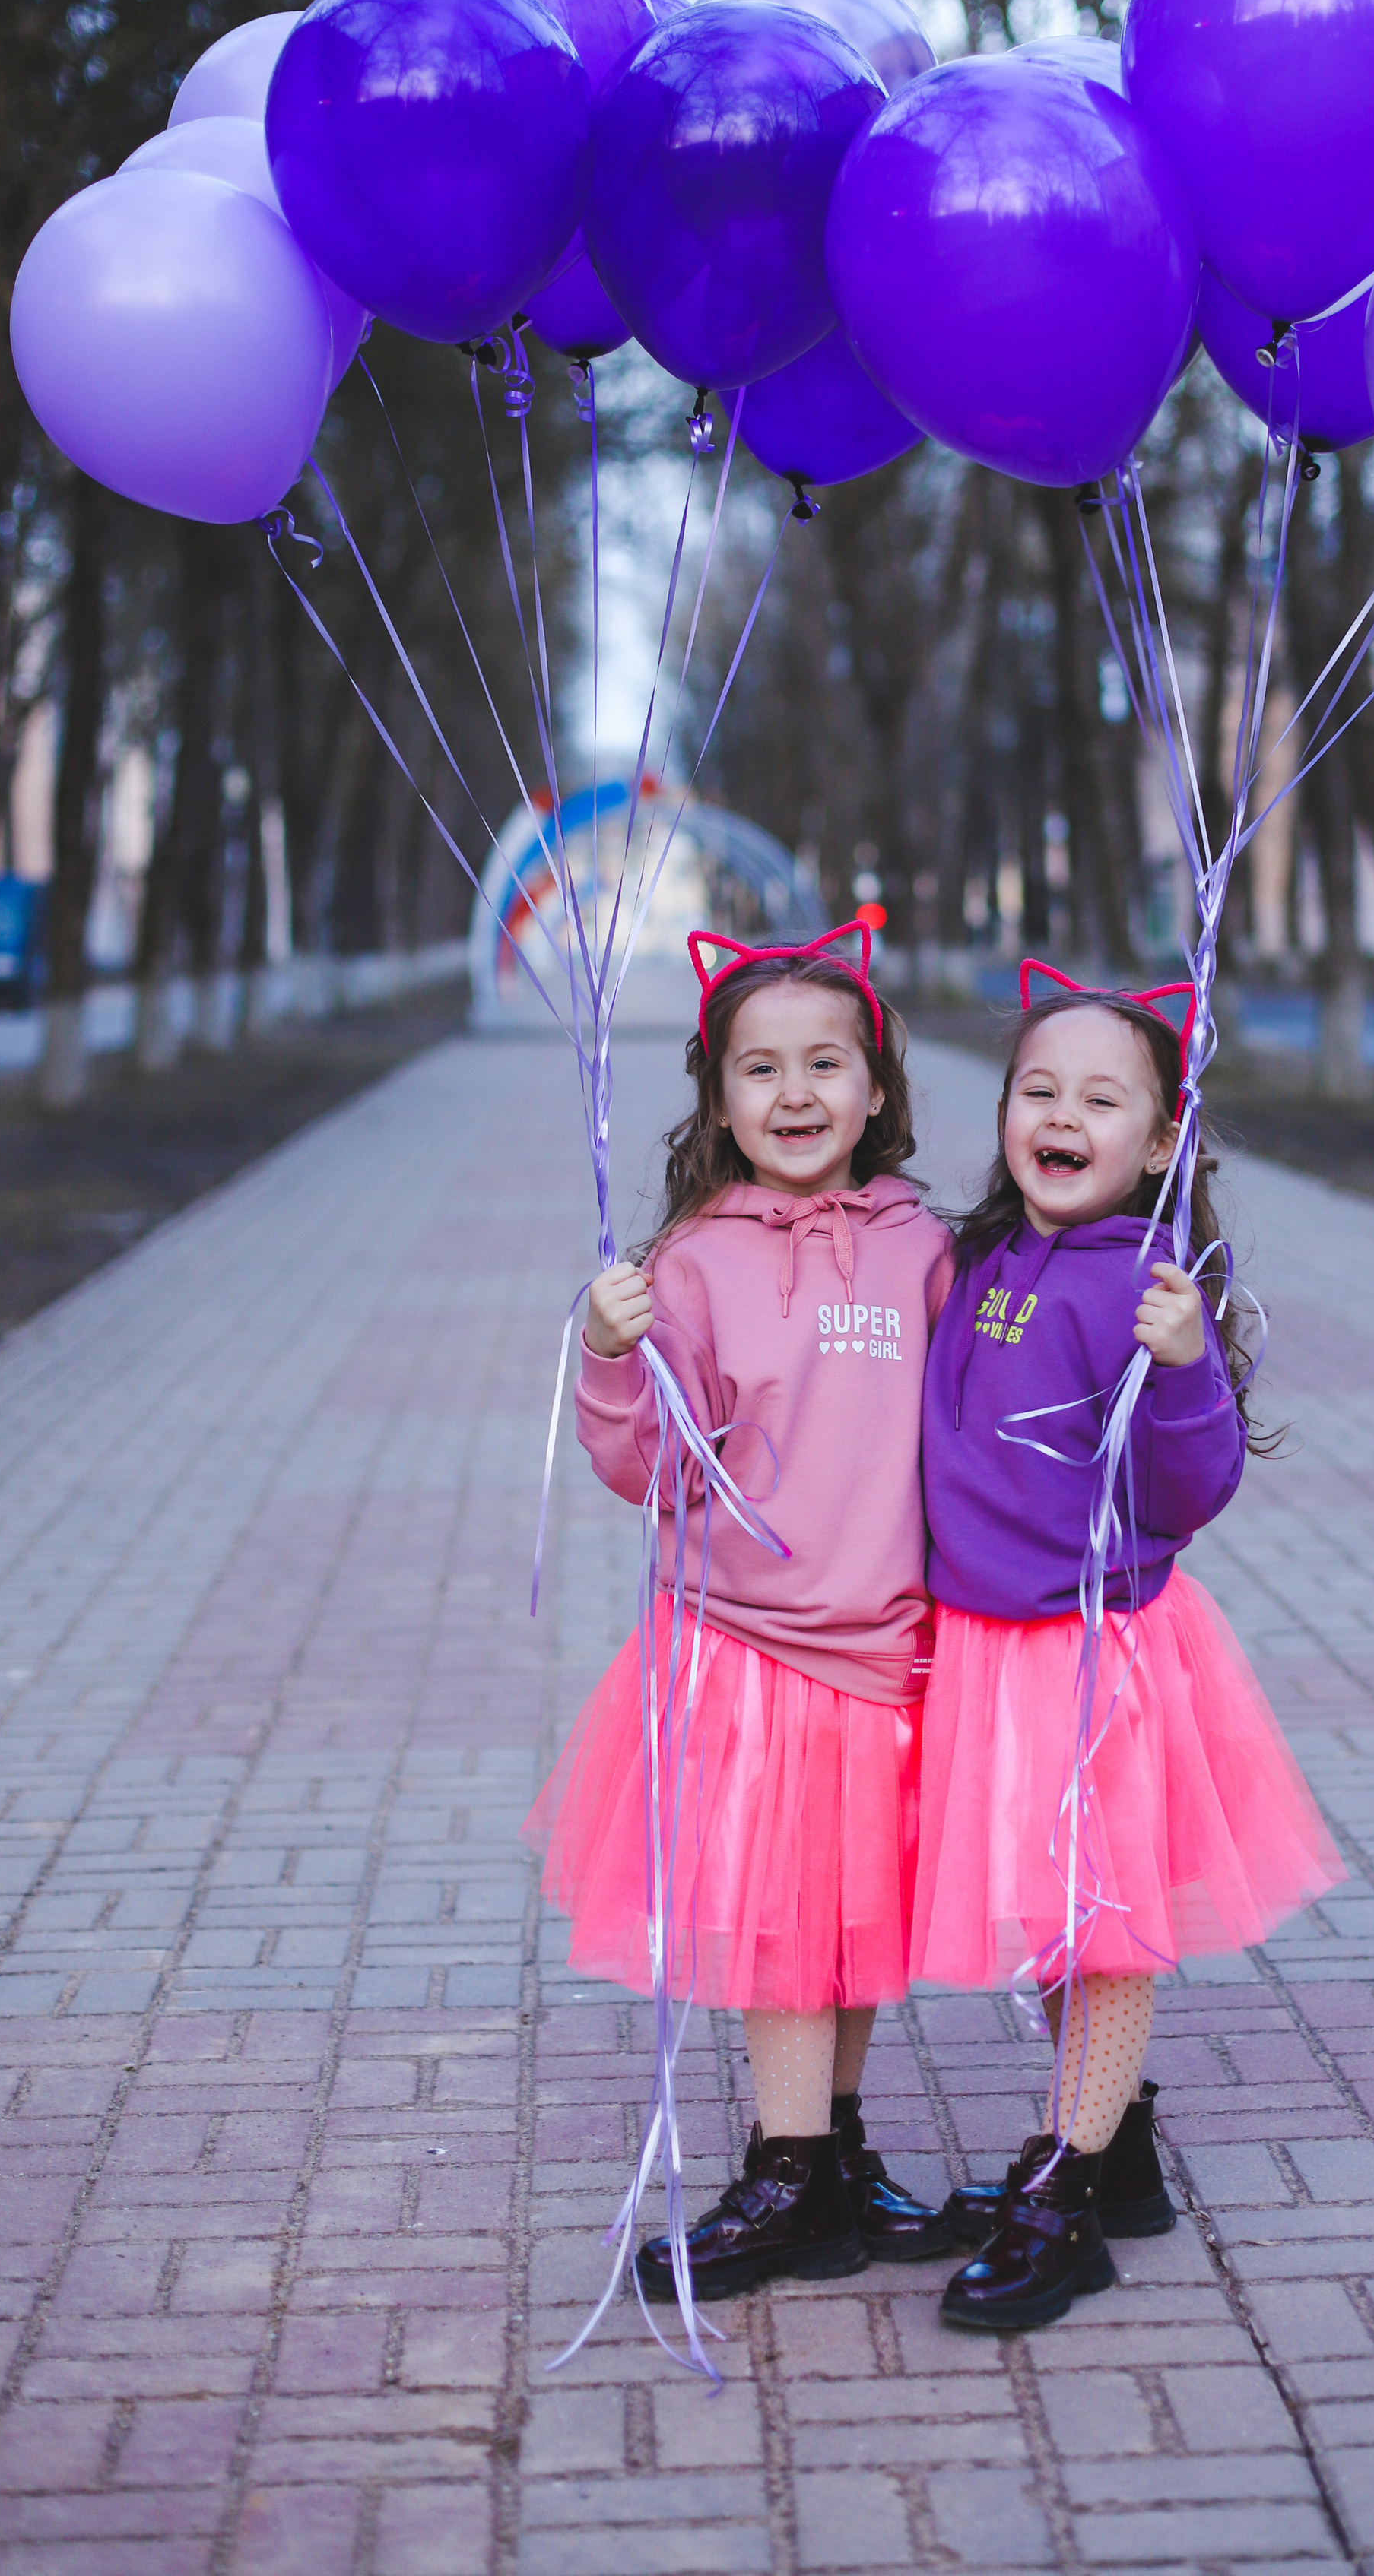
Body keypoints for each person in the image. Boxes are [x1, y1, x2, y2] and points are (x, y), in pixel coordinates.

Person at [523, 922, 957, 2301]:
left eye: (826, 1062)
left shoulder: (924, 1247)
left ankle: (835, 2160)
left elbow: (972, 1432)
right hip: (759, 1648)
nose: (795, 1094)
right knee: (786, 1920)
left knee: (857, 1923)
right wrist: (609, 1351)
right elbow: (650, 1464)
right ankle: (783, 2171)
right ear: (718, 1100)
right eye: (760, 1069)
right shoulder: (694, 1263)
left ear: (877, 1086)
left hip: (894, 1644)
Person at [913, 966, 1342, 2332]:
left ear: (1161, 1140)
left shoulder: (1148, 1292)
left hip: (1094, 1657)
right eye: (1037, 1089)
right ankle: (1116, 2151)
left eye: (1101, 1098)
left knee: (1100, 1927)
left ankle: (1070, 2187)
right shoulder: (980, 1261)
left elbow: (1190, 1487)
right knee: (1055, 1919)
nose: (1061, 1114)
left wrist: (1184, 1369)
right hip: (985, 1649)